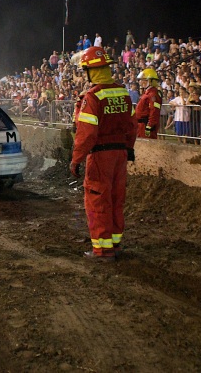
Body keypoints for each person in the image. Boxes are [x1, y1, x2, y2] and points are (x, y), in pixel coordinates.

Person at [70, 47, 136, 260]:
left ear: (92, 71)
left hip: (100, 156)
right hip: (120, 154)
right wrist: (129, 148)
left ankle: (102, 250)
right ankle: (114, 244)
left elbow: (86, 134)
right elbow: (132, 126)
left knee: (98, 200)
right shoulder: (123, 93)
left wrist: (76, 159)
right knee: (116, 199)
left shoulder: (93, 96)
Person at [135, 68, 161, 139]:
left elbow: (154, 111)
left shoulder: (153, 94)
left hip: (145, 125)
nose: (140, 82)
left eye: (143, 80)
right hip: (141, 125)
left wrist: (150, 125)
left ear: (150, 81)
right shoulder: (147, 93)